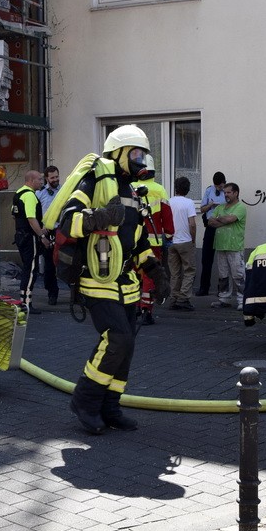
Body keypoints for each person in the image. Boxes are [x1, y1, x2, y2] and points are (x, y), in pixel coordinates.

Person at [60, 124, 169, 434]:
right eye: (135, 153)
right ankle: (85, 400)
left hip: (127, 285)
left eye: (143, 154)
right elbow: (68, 222)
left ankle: (110, 407)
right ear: (118, 154)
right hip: (97, 279)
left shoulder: (132, 192)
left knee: (127, 345)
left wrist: (156, 273)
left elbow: (139, 243)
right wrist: (100, 217)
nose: (140, 160)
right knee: (116, 338)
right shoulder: (94, 181)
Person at [131, 156, 173, 325]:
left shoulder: (130, 188)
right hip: (153, 243)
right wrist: (169, 235)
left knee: (133, 275)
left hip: (132, 242)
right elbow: (167, 215)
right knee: (150, 277)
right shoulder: (159, 189)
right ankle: (146, 311)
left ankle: (133, 308)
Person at [12, 169, 51, 314]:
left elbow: (15, 216)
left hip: (21, 237)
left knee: (27, 268)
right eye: (40, 179)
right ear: (31, 181)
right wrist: (42, 235)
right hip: (30, 238)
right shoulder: (29, 196)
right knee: (31, 270)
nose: (42, 182)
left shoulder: (18, 194)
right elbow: (31, 218)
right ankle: (26, 303)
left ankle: (23, 300)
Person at [207, 182, 247, 310]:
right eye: (225, 192)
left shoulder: (240, 207)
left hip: (234, 246)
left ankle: (243, 300)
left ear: (236, 193)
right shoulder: (220, 207)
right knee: (223, 275)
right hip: (220, 245)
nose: (226, 195)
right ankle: (224, 299)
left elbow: (230, 220)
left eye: (229, 192)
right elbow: (210, 222)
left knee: (238, 275)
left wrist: (222, 219)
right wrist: (224, 220)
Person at [167, 176, 198, 311]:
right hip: (185, 241)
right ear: (188, 189)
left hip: (171, 241)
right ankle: (183, 298)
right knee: (189, 270)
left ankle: (173, 298)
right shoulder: (189, 203)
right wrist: (193, 239)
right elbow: (192, 224)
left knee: (175, 272)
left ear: (175, 188)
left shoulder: (169, 202)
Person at [196, 171, 226, 296]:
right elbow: (202, 209)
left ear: (224, 183)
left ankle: (222, 289)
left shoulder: (228, 191)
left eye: (220, 186)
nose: (219, 188)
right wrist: (210, 205)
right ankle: (204, 287)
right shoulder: (209, 190)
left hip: (223, 226)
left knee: (223, 258)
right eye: (217, 186)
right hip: (210, 226)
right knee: (206, 258)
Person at [36, 165, 61, 305]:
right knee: (50, 265)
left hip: (62, 230)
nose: (55, 179)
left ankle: (75, 294)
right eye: (52, 178)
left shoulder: (64, 191)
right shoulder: (39, 194)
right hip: (48, 232)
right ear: (46, 178)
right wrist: (41, 232)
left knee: (67, 262)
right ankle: (52, 293)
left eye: (57, 176)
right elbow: (35, 214)